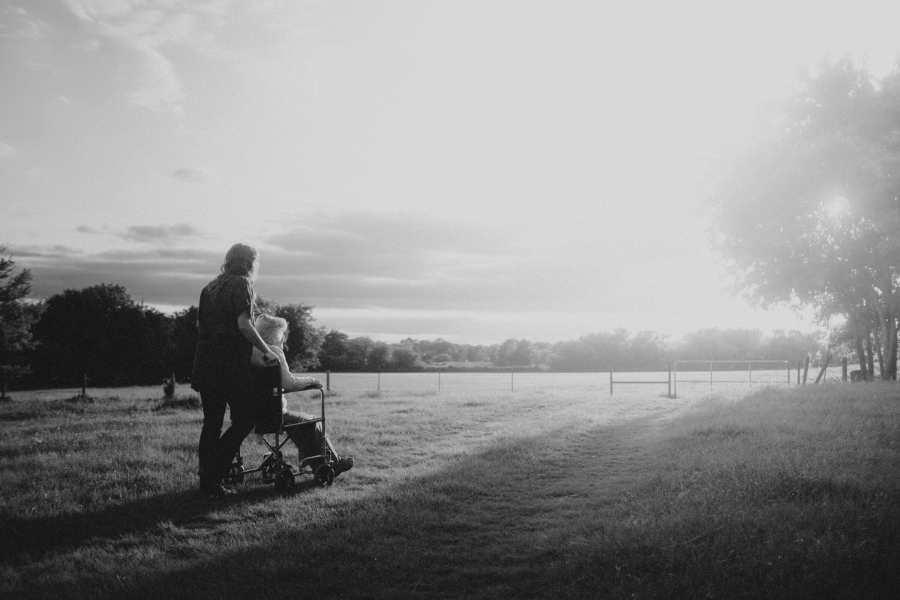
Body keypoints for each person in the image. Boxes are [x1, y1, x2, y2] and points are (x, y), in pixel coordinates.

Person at [191, 243, 279, 497]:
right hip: (228, 366)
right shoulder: (242, 284)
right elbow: (243, 324)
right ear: (249, 262)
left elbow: (200, 325)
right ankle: (213, 473)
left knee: (212, 424)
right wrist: (266, 350)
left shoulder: (210, 287)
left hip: (205, 363)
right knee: (245, 419)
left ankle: (208, 482)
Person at [250, 313, 354, 477]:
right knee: (311, 421)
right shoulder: (273, 352)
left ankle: (311, 464)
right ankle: (334, 462)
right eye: (282, 335)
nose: (283, 339)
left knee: (300, 423)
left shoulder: (249, 351)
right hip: (273, 414)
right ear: (275, 335)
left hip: (251, 414)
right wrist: (313, 381)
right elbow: (290, 384)